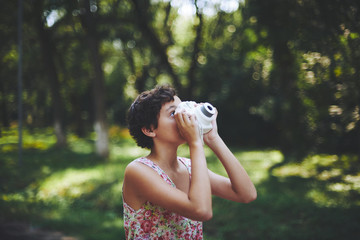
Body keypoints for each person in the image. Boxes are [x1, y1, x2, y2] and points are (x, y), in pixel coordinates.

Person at [123, 85, 257, 239]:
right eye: (174, 113)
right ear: (149, 129)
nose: (184, 117)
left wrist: (213, 138)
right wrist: (195, 142)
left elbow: (247, 194)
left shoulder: (189, 168)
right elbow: (201, 211)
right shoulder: (138, 171)